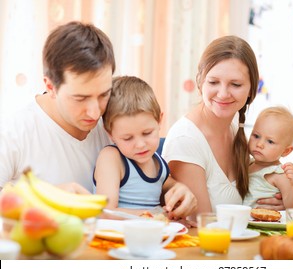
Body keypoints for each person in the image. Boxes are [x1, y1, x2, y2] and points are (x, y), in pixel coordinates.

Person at [0, 21, 195, 219]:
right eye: (81, 98)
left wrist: (178, 190)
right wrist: (45, 200)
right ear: (51, 87)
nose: (95, 113)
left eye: (104, 94)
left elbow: (144, 180)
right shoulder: (14, 133)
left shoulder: (116, 125)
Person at [162, 35, 293, 220]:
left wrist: (282, 197)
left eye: (235, 84)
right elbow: (201, 226)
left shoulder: (235, 126)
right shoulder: (186, 140)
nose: (223, 93)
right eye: (213, 82)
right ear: (200, 81)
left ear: (252, 88)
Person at [93, 76, 195, 219]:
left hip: (150, 236)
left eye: (147, 133)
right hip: (116, 238)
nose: (140, 144)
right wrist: (156, 216)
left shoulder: (158, 163)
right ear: (110, 133)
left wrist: (179, 194)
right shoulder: (112, 158)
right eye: (128, 138)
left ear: (159, 121)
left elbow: (170, 185)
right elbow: (105, 211)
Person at [243, 106, 293, 208]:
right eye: (256, 136)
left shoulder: (278, 174)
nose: (259, 144)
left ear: (286, 151)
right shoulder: (247, 164)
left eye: (270, 141)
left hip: (265, 223)